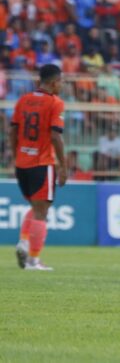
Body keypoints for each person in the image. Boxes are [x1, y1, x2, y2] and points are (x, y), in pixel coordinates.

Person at [10, 64, 67, 271]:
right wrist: (63, 165)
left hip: (22, 163)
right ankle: (33, 260)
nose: (62, 85)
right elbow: (55, 135)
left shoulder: (23, 100)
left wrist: (17, 154)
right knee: (42, 212)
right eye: (61, 81)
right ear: (53, 83)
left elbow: (13, 131)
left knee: (36, 208)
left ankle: (24, 242)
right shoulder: (55, 103)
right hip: (42, 163)